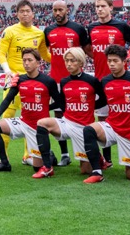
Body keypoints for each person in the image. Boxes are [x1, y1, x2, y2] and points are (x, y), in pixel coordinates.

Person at [81, 44, 130, 184]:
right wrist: (83, 106)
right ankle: (97, 171)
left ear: (124, 62)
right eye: (109, 60)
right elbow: (101, 102)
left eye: (115, 61)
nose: (111, 64)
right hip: (111, 126)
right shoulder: (105, 81)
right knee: (89, 130)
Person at [87, 0, 130, 167]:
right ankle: (107, 160)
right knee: (103, 119)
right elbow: (89, 48)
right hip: (100, 80)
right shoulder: (91, 27)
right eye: (97, 6)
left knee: (124, 117)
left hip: (120, 81)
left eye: (103, 6)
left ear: (111, 7)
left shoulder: (121, 26)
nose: (99, 9)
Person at [0, 48, 63, 173]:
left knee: (37, 168)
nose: (26, 63)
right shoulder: (20, 80)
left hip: (38, 128)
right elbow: (7, 100)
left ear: (38, 63)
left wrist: (46, 108)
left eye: (30, 60)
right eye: (24, 60)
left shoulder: (48, 81)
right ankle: (5, 163)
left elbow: (60, 102)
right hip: (23, 122)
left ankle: (49, 156)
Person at [34, 47, 106, 178]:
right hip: (67, 123)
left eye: (72, 61)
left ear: (80, 62)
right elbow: (61, 103)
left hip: (84, 128)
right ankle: (47, 167)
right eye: (66, 61)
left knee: (85, 171)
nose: (68, 64)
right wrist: (45, 107)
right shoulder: (64, 81)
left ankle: (98, 158)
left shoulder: (92, 81)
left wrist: (91, 106)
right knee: (42, 123)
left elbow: (104, 99)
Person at [0, 0, 49, 163]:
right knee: (6, 117)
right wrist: (8, 72)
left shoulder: (39, 34)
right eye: (22, 11)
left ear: (33, 13)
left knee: (32, 119)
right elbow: (1, 54)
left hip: (32, 83)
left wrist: (65, 58)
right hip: (14, 81)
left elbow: (45, 56)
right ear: (17, 14)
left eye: (28, 11)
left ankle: (29, 156)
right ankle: (3, 157)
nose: (25, 14)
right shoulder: (10, 31)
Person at [43, 0, 92, 166]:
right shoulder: (48, 30)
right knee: (58, 117)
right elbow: (46, 51)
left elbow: (87, 50)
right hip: (56, 81)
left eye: (60, 10)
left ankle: (86, 152)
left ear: (67, 10)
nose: (57, 13)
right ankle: (65, 154)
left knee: (80, 116)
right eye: (55, 10)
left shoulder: (78, 28)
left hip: (76, 81)